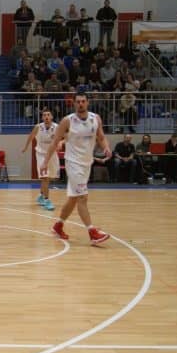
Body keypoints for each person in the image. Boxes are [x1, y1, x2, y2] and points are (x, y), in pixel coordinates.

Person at [42, 91, 111, 244]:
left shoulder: (95, 118)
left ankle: (58, 226)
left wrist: (106, 147)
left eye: (83, 101)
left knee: (73, 198)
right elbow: (55, 142)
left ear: (87, 102)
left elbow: (101, 137)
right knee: (82, 197)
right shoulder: (67, 121)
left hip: (87, 163)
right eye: (78, 101)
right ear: (74, 103)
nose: (80, 104)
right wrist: (45, 162)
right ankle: (92, 232)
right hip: (73, 163)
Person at [21, 109, 59, 211]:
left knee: (49, 178)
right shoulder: (38, 127)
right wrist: (25, 147)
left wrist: (61, 142)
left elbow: (65, 136)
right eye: (44, 115)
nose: (46, 117)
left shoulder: (57, 127)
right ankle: (47, 200)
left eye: (48, 115)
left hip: (52, 155)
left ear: (52, 117)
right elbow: (31, 137)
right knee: (45, 177)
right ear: (42, 118)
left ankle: (41, 195)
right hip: (41, 154)